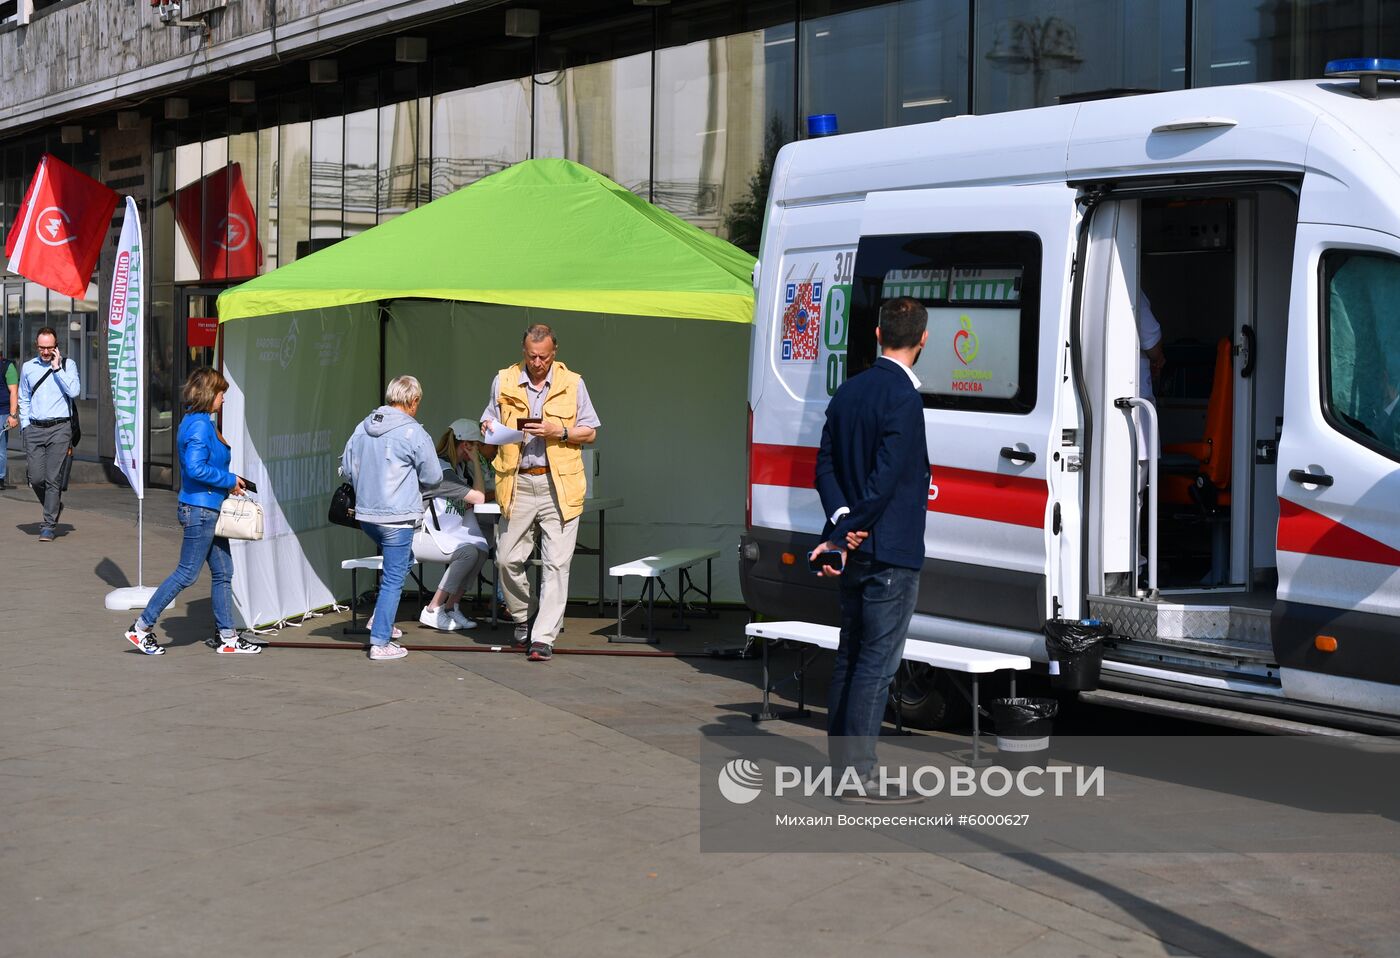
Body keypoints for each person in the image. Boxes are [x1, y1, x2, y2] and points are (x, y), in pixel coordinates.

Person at [810, 297, 930, 804]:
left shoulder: (849, 390)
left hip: (857, 546)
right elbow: (885, 482)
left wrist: (841, 524)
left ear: (878, 333)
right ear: (923, 340)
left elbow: (825, 467)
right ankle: (857, 775)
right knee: (876, 666)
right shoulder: (905, 398)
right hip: (889, 550)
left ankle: (842, 770)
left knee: (851, 656)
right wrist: (850, 530)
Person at [480, 324, 600, 662]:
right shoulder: (503, 380)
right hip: (517, 481)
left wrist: (557, 430)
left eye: (543, 357)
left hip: (558, 484)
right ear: (523, 351)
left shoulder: (573, 383)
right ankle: (523, 616)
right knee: (506, 559)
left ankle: (543, 637)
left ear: (555, 351)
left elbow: (590, 432)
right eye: (531, 356)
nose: (537, 363)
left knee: (556, 564)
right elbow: (488, 420)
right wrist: (488, 427)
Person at [124, 368, 260, 655]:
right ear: (210, 394)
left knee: (224, 572)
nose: (224, 399)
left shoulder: (197, 421)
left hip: (207, 507)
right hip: (200, 510)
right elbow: (196, 468)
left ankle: (228, 638)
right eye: (221, 393)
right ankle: (141, 627)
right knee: (187, 574)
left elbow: (201, 466)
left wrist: (229, 482)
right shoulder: (199, 425)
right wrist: (228, 480)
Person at [341, 375, 443, 661]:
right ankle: (380, 641)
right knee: (394, 578)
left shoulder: (362, 427)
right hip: (397, 517)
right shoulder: (414, 433)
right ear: (413, 401)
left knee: (400, 562)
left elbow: (347, 468)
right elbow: (433, 477)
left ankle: (379, 620)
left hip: (366, 516)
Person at [414, 419, 491, 631]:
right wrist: (475, 461)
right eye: (476, 445)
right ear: (465, 444)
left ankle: (451, 607)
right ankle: (433, 609)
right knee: (467, 553)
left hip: (441, 532)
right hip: (419, 535)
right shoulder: (442, 471)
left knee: (481, 550)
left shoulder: (457, 469)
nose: (479, 450)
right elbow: (479, 497)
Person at [18, 327, 80, 542]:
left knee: (52, 479)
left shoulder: (67, 365)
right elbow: (24, 398)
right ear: (37, 346)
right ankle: (53, 505)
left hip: (59, 429)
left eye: (49, 348)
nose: (45, 352)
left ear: (56, 347)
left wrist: (56, 369)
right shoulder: (27, 367)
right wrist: (25, 426)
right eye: (42, 348)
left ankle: (48, 525)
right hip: (34, 429)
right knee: (35, 478)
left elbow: (74, 392)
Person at [1, 351, 17, 491]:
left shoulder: (7, 366)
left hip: (2, 413)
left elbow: (14, 392)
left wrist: (12, 415)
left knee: (0, 449)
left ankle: (0, 478)